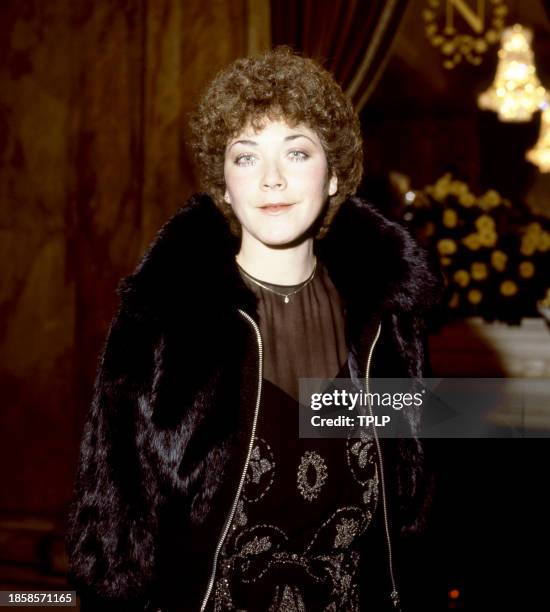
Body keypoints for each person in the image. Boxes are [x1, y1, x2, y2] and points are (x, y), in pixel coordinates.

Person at [66, 47, 440, 612]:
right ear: (224, 180)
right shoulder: (166, 319)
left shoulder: (384, 321)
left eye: (296, 151)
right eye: (245, 157)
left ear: (334, 172)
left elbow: (410, 510)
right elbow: (114, 532)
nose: (271, 179)